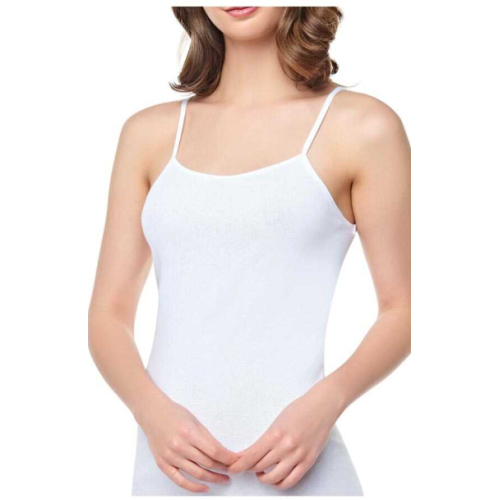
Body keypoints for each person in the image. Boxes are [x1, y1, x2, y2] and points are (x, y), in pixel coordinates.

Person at [88, 6, 411, 496]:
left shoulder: (361, 128)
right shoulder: (148, 135)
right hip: (171, 474)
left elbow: (405, 309)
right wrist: (151, 412)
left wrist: (327, 403)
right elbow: (108, 315)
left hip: (300, 474)